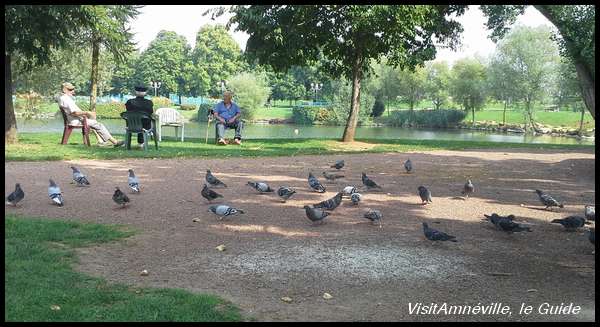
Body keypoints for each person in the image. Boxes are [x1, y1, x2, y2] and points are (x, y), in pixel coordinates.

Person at [58, 82, 124, 147]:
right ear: (64, 90)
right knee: (99, 125)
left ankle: (100, 140)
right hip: (77, 120)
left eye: (72, 89)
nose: (73, 91)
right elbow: (74, 112)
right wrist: (87, 112)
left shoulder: (62, 98)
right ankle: (114, 142)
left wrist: (87, 114)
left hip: (77, 119)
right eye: (70, 89)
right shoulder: (66, 99)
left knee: (93, 121)